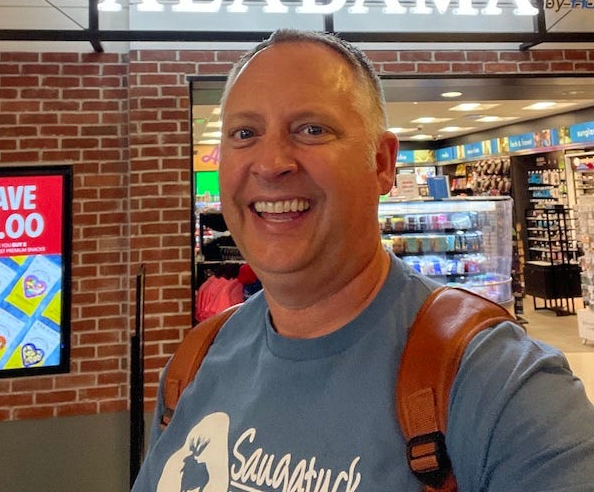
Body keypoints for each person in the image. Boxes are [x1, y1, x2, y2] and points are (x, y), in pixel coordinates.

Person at [133, 29, 594, 492]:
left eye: (312, 129)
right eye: (245, 133)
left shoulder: (501, 388)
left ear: (381, 162)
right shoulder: (194, 363)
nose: (271, 163)